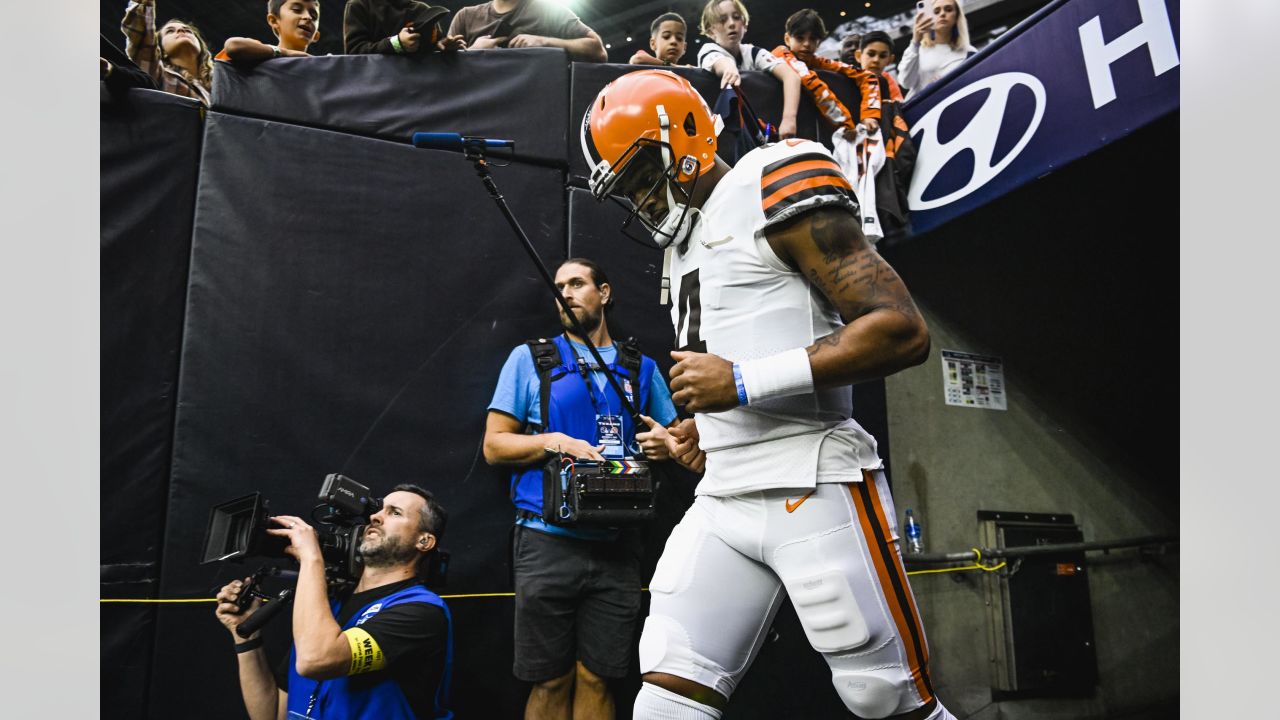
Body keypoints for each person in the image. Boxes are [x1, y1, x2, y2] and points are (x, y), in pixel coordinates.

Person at [580, 69, 955, 720]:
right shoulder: (682, 246)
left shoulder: (776, 178)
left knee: (887, 701)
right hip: (724, 495)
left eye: (642, 174)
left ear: (687, 134)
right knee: (665, 700)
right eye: (627, 188)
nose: (640, 198)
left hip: (813, 480)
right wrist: (704, 430)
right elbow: (743, 352)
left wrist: (742, 384)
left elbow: (900, 331)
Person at [483, 258, 689, 720]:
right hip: (546, 540)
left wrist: (665, 445)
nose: (567, 294)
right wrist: (554, 441)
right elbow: (494, 446)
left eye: (577, 283)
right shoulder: (531, 360)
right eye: (559, 287)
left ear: (605, 292)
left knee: (600, 676)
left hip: (619, 544)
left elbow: (679, 440)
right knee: (550, 678)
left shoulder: (640, 368)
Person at [214, 484, 453, 719]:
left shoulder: (422, 611)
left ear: (424, 541)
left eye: (395, 512)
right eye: (379, 509)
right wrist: (245, 637)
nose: (375, 517)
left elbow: (315, 660)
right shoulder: (329, 607)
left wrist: (310, 556)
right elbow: (273, 714)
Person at [696, 0, 800, 140]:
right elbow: (721, 62)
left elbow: (791, 76)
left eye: (736, 17)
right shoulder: (707, 50)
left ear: (744, 24)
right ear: (710, 30)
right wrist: (729, 68)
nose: (731, 23)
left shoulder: (753, 52)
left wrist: (789, 119)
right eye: (722, 20)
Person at [772, 9, 883, 137]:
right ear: (787, 39)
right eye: (800, 38)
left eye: (813, 39)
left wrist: (870, 115)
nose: (807, 44)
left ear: (819, 43)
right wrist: (846, 126)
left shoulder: (816, 61)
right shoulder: (780, 55)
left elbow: (867, 76)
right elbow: (811, 83)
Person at [448, 0, 607, 63]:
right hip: (478, 113)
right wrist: (472, 52)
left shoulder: (548, 10)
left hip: (533, 109)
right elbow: (444, 76)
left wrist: (544, 42)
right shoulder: (466, 17)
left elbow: (598, 52)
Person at [120, 0, 214, 105]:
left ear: (201, 48)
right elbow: (142, 38)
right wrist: (144, 5)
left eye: (188, 30)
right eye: (170, 31)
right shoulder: (157, 74)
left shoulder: (219, 82)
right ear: (161, 50)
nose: (181, 31)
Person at [897, 0, 976, 96]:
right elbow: (906, 83)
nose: (942, 14)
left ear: (957, 16)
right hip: (921, 109)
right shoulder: (917, 50)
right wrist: (915, 42)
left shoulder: (969, 52)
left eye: (948, 9)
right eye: (936, 11)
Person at [217, 0, 323, 68]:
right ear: (273, 20)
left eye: (314, 17)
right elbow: (233, 46)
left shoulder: (323, 67)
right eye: (297, 10)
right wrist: (288, 53)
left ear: (316, 35)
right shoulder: (256, 53)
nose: (308, 17)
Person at [342, 0, 466, 56]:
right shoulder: (358, 6)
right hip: (375, 91)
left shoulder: (422, 10)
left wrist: (444, 47)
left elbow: (433, 46)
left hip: (418, 90)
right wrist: (397, 44)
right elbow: (354, 52)